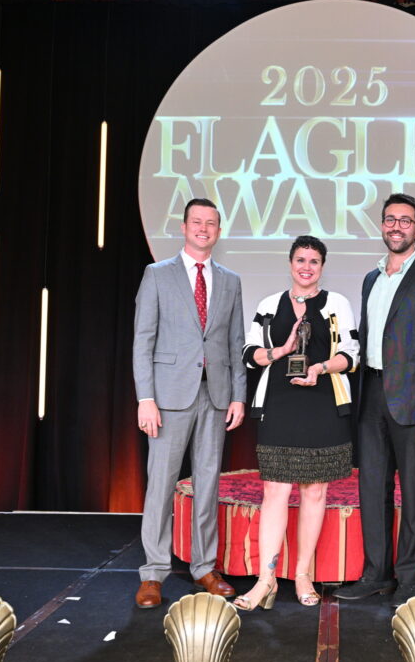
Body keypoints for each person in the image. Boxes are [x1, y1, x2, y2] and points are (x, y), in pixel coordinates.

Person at [333, 193, 415, 607]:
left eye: (405, 221)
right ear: (382, 225)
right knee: (372, 488)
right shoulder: (371, 278)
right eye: (390, 219)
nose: (397, 227)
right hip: (371, 393)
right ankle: (376, 574)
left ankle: (409, 578)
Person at [132, 198, 246, 609]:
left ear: (218, 230)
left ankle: (204, 567)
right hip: (168, 397)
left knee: (207, 484)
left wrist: (238, 395)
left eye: (211, 223)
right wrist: (146, 398)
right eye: (197, 221)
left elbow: (235, 342)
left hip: (214, 396)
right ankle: (153, 573)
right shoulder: (157, 274)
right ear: (183, 227)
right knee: (161, 485)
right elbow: (143, 340)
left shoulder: (230, 280)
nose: (203, 228)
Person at [235, 235, 360, 611]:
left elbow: (351, 354)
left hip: (323, 403)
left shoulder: (337, 303)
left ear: (322, 267)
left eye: (314, 261)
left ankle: (303, 574)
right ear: (290, 263)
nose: (307, 267)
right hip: (279, 403)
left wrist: (320, 368)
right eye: (301, 260)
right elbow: (249, 354)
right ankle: (266, 579)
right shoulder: (269, 304)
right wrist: (282, 350)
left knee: (315, 491)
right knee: (275, 491)